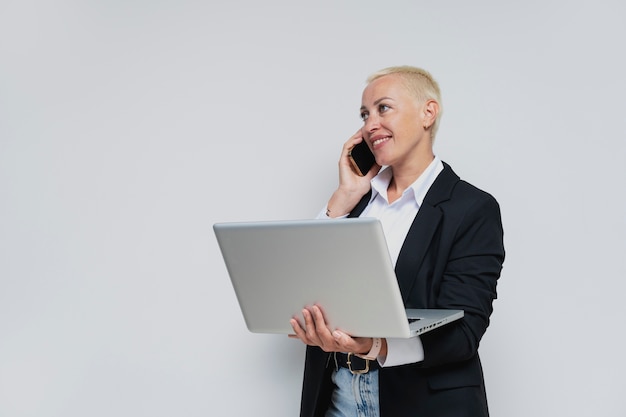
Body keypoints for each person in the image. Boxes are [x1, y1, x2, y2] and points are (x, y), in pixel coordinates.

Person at [289, 66, 505, 417]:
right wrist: (343, 197)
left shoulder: (472, 209)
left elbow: (464, 333)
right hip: (339, 396)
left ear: (427, 113)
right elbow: (306, 286)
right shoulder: (355, 204)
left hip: (423, 403)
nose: (369, 124)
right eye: (364, 114)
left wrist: (375, 346)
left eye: (383, 108)